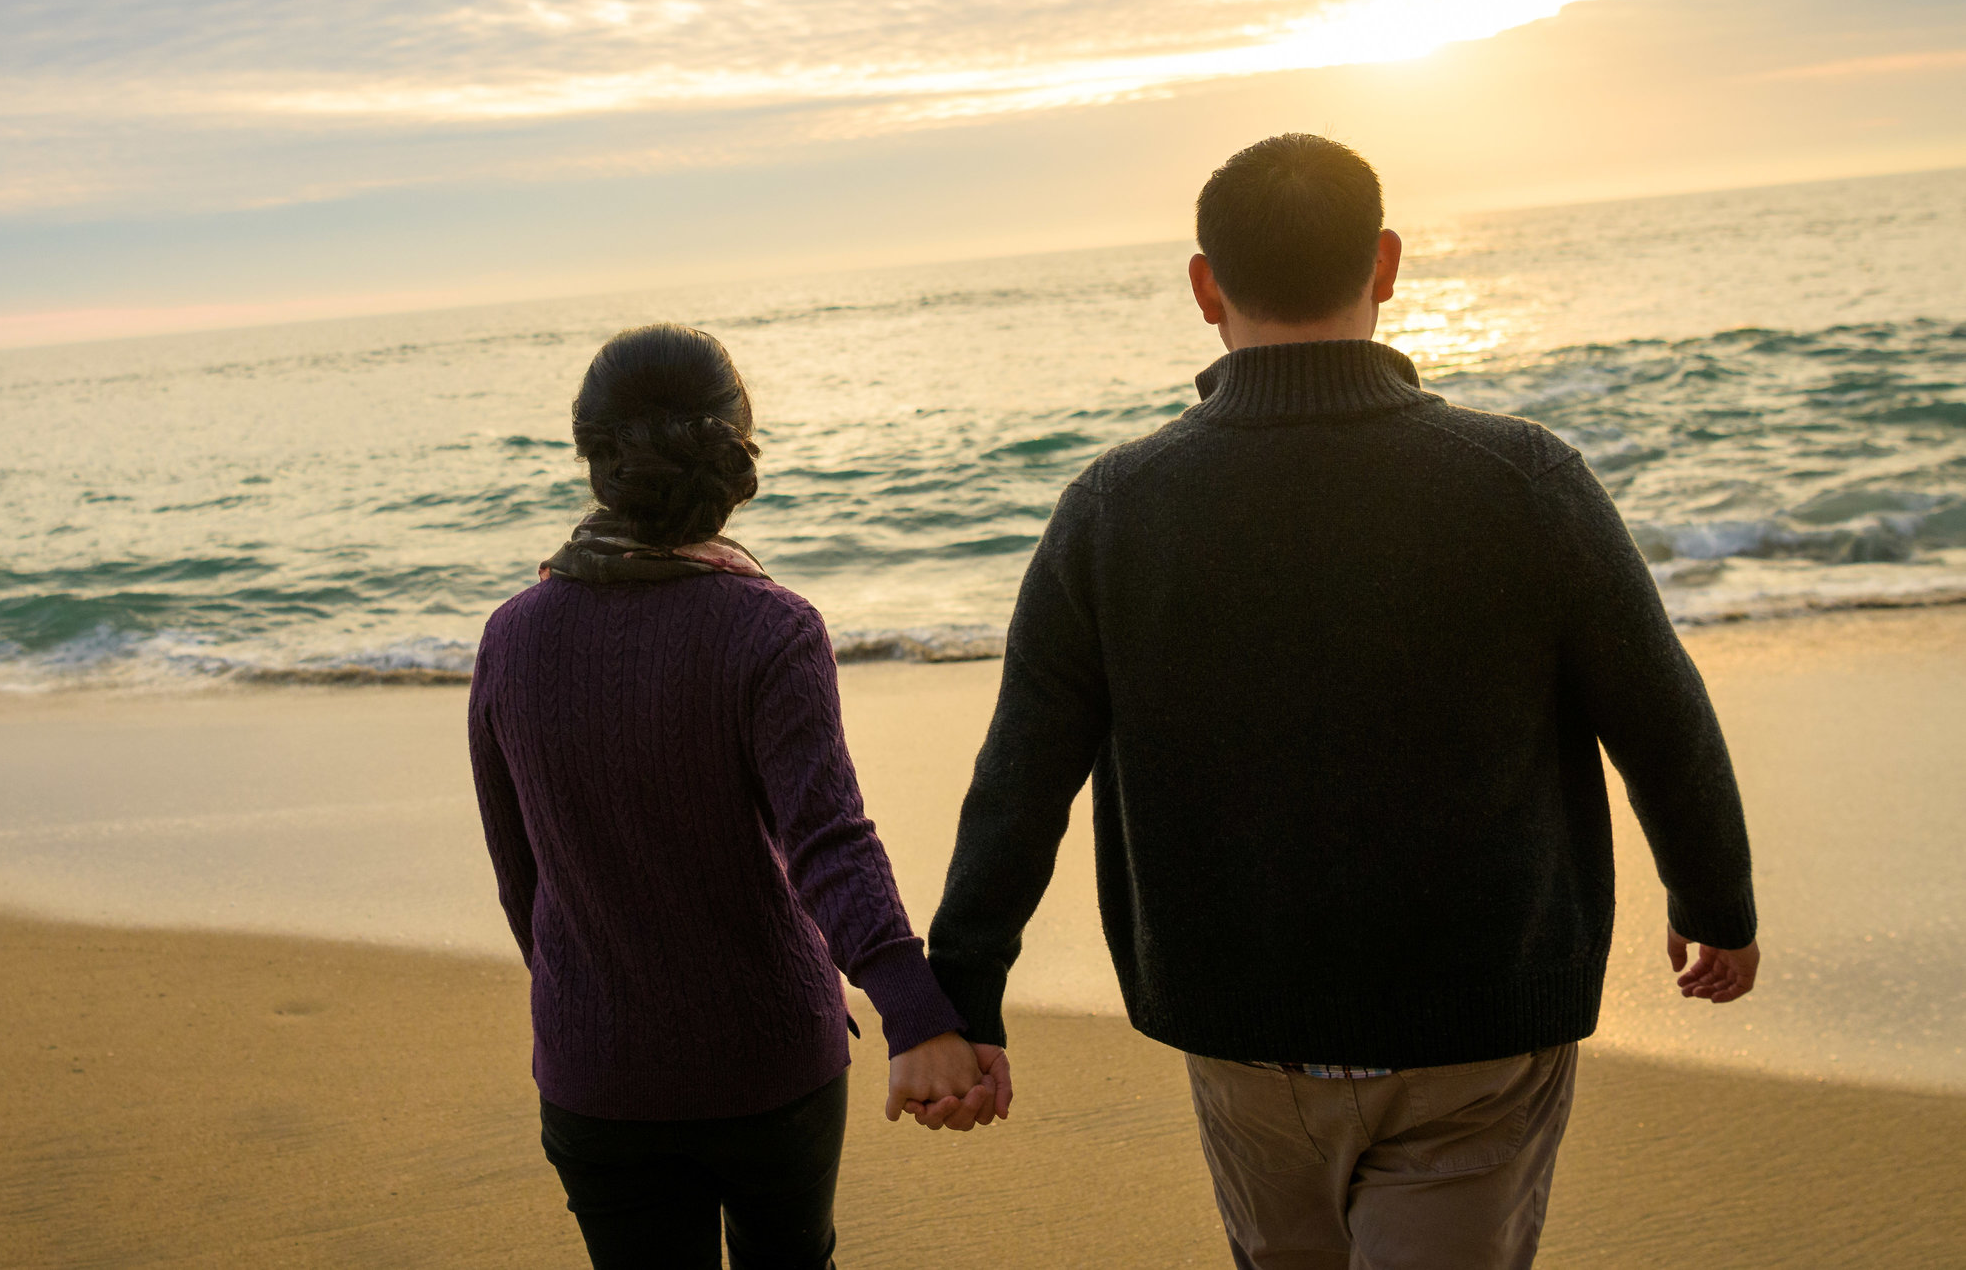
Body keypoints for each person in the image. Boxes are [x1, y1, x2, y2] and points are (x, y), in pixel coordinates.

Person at [923, 134, 1761, 1269]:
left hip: (1242, 1025)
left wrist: (961, 996)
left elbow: (1020, 777)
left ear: (1205, 285)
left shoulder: (1114, 508)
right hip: (1476, 1015)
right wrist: (1713, 894)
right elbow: (1657, 713)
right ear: (1385, 264)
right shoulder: (1523, 479)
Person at [469, 322, 1010, 1270]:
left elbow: (523, 882)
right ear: (735, 445)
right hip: (769, 1062)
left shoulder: (511, 638)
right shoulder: (770, 627)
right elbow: (829, 843)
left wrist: (592, 1000)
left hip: (596, 1073)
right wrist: (918, 1013)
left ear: (594, 460)